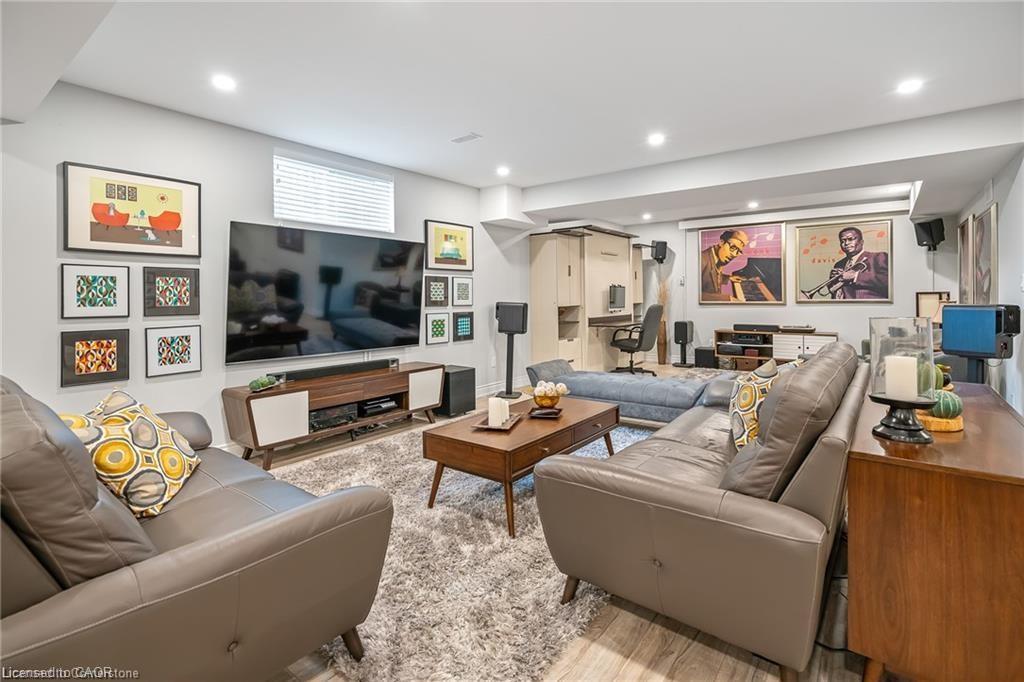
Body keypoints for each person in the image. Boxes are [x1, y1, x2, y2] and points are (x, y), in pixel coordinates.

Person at [827, 226, 889, 299]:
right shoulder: (839, 264)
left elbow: (888, 281)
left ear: (861, 242)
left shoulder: (879, 257)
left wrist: (855, 276)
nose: (846, 243)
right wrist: (833, 283)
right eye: (842, 241)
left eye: (850, 239)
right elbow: (835, 292)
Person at [700, 229, 749, 298]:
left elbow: (708, 277)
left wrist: (728, 278)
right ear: (722, 242)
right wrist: (726, 300)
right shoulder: (701, 260)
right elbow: (692, 293)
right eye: (732, 247)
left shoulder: (717, 257)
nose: (734, 254)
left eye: (738, 251)